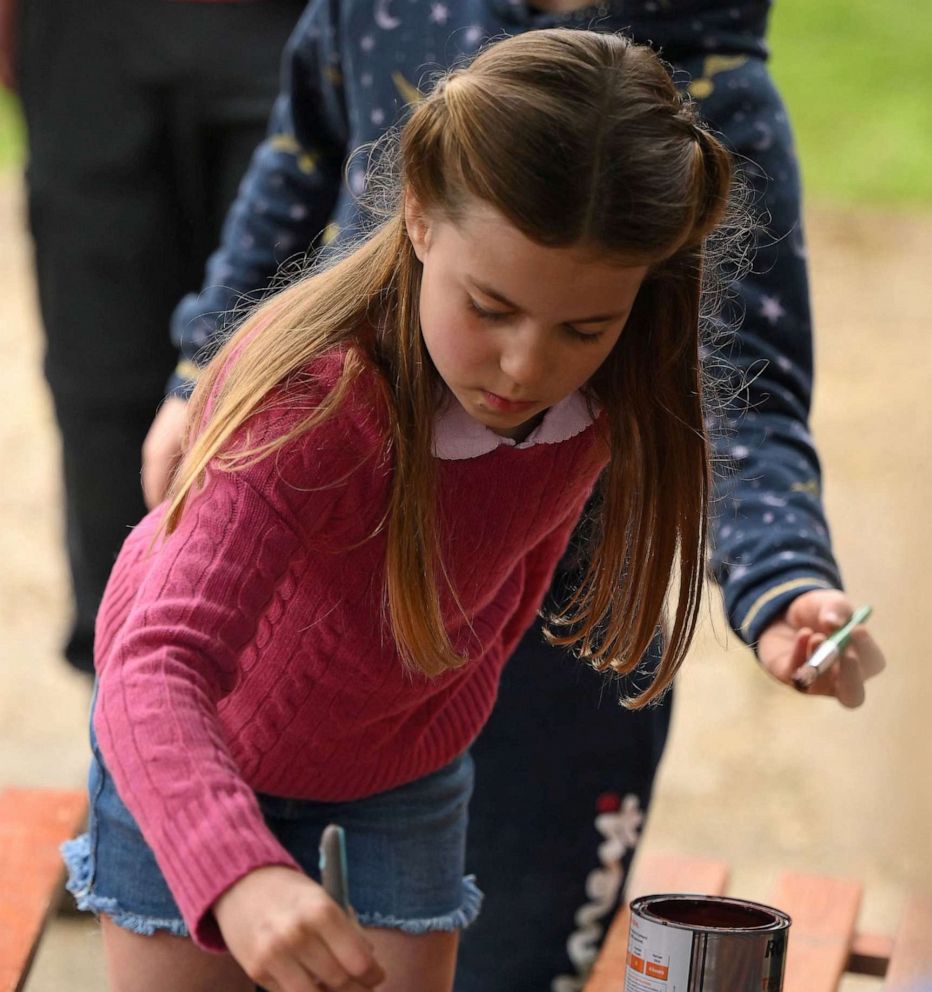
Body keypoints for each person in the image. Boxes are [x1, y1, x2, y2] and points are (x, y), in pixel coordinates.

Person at [138, 3, 887, 989]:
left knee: (511, 952)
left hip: (557, 632)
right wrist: (202, 367)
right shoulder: (375, 14)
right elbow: (297, 154)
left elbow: (734, 390)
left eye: (585, 329)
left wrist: (781, 577)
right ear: (415, 209)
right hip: (331, 602)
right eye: (489, 307)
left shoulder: (717, 104)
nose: (528, 369)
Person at [6, 0, 305, 675]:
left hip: (294, 23)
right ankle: (122, 703)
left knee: (288, 376)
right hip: (87, 33)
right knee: (103, 384)